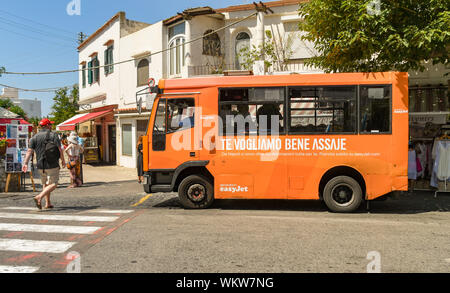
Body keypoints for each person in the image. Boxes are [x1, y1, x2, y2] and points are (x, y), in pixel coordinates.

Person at [22, 118, 66, 210]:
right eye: (50, 124)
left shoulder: (34, 137)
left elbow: (29, 151)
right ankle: (39, 196)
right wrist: (63, 160)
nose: (51, 126)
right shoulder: (53, 135)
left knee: (45, 184)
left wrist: (25, 163)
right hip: (52, 163)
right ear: (47, 125)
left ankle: (48, 203)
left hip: (40, 165)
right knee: (54, 183)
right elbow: (59, 149)